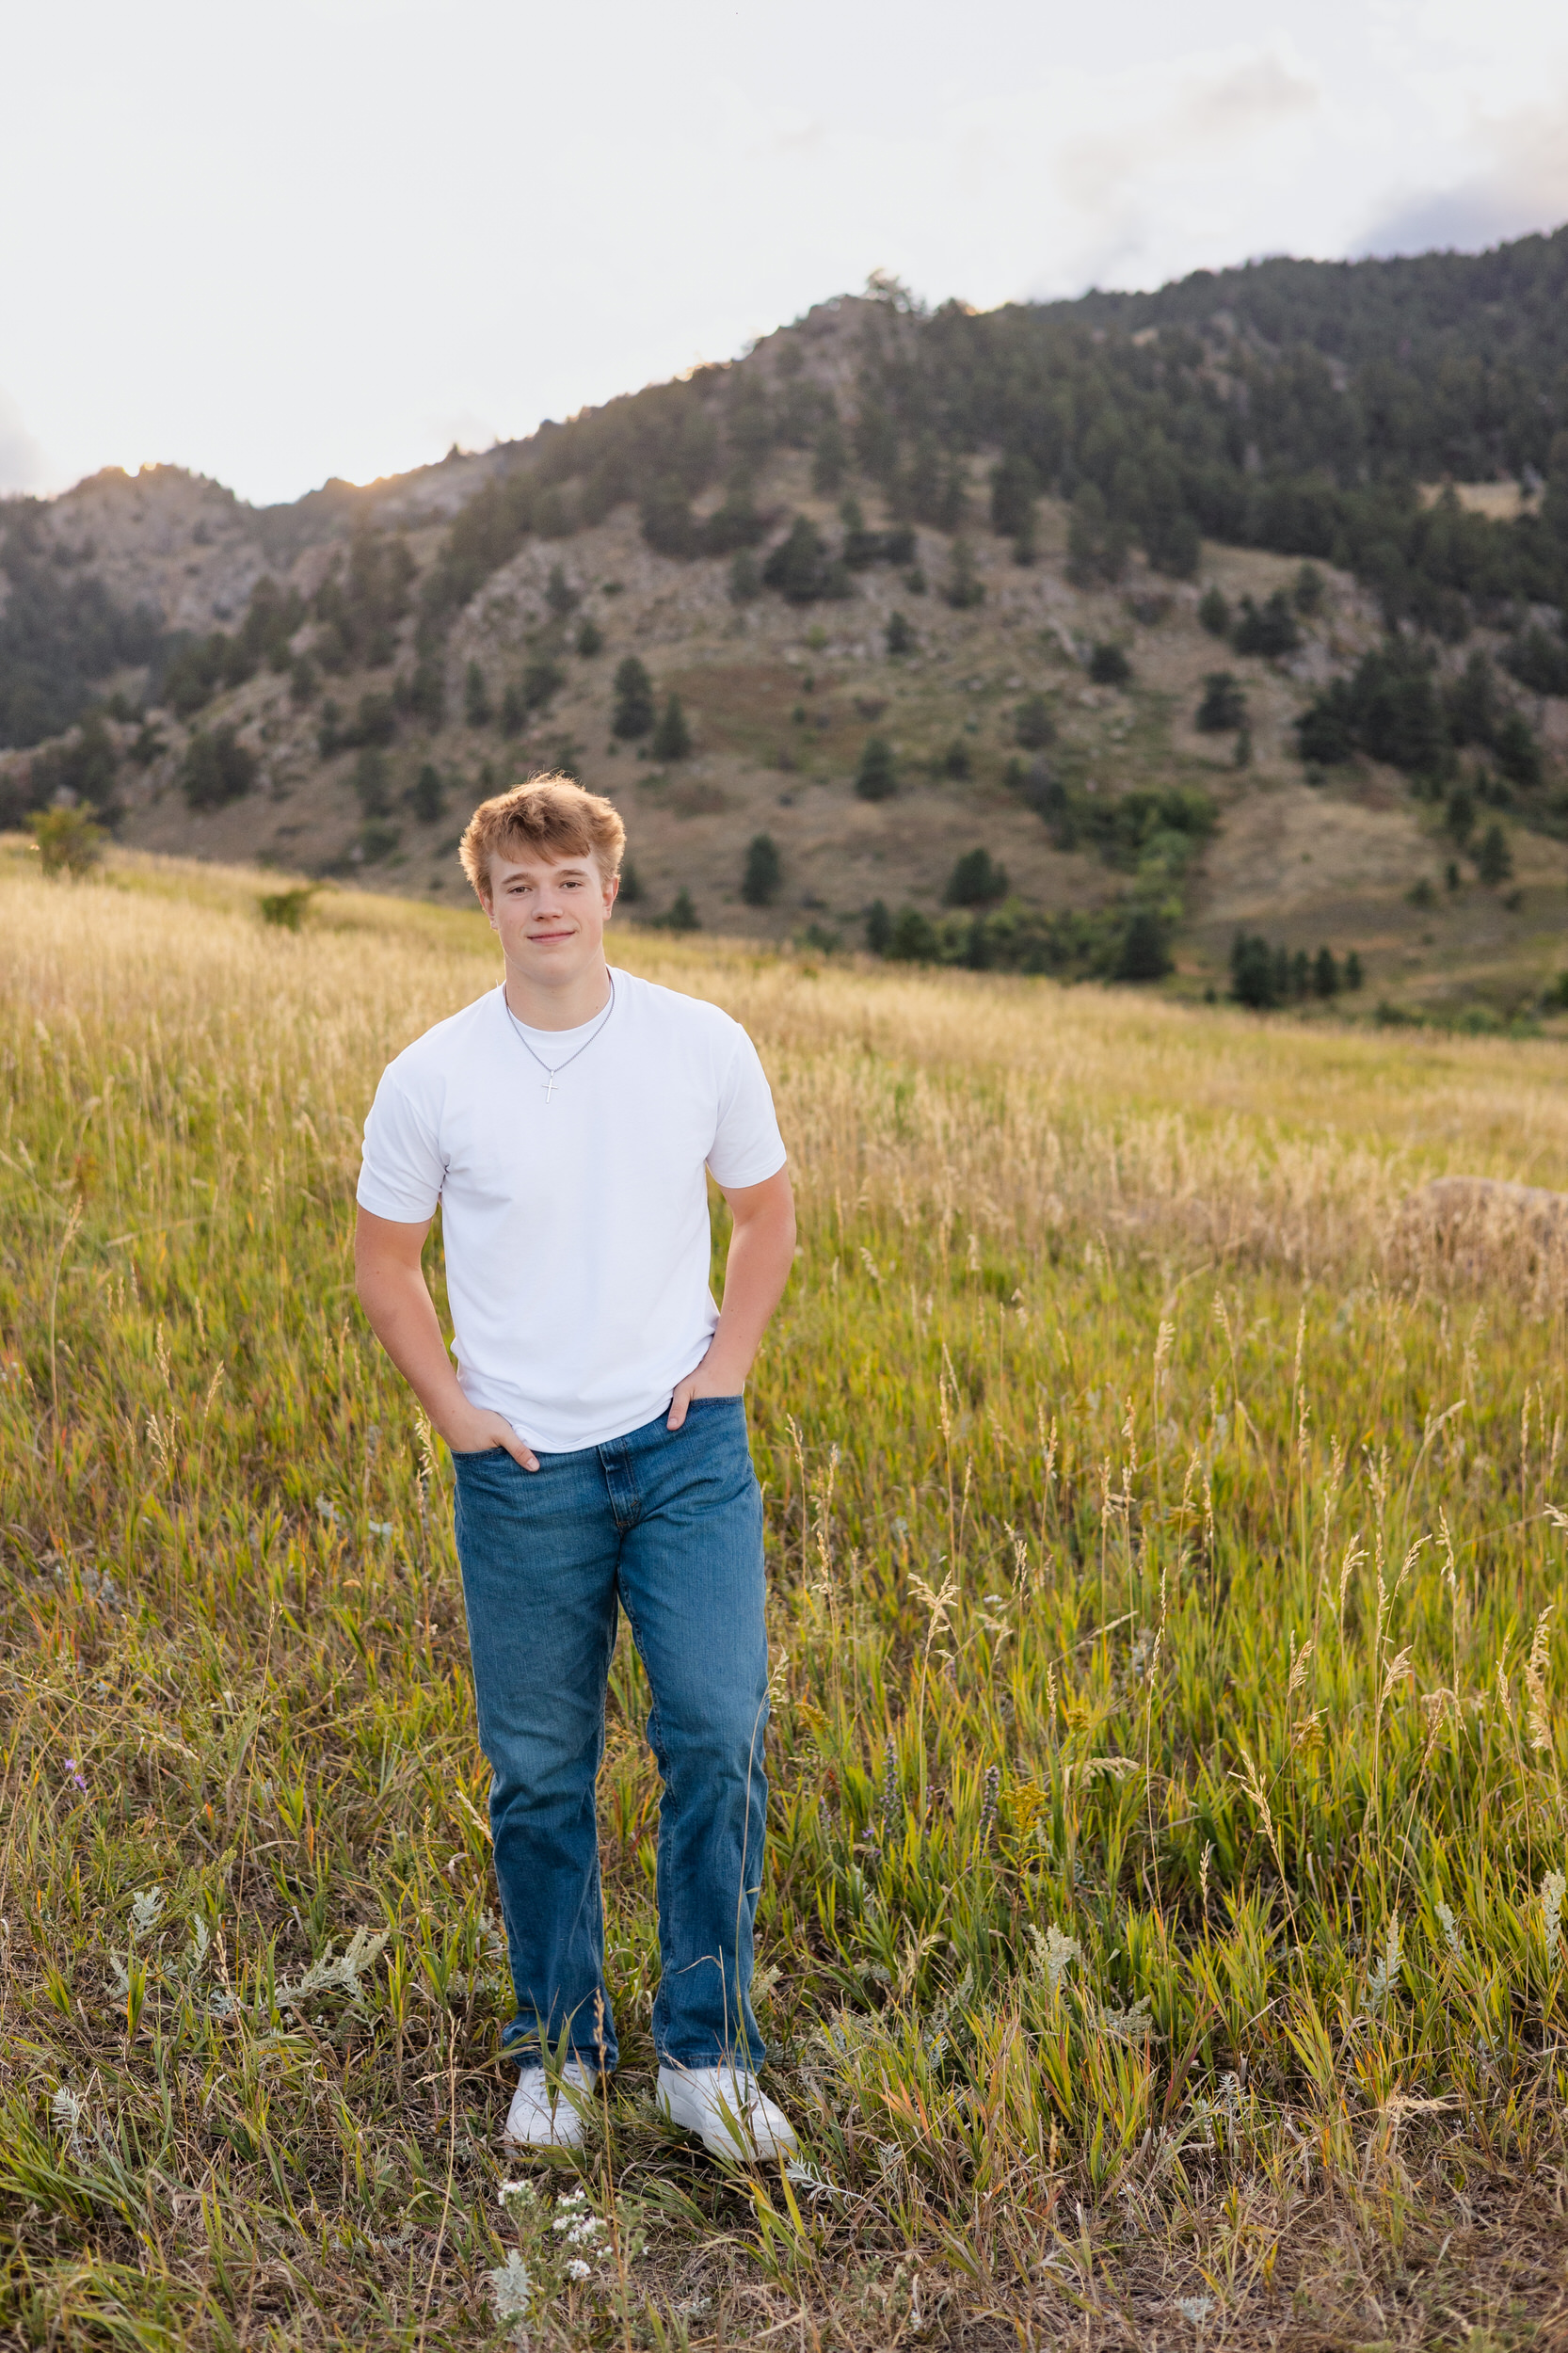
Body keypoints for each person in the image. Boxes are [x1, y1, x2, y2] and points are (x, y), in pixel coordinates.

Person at [353, 774, 798, 2162]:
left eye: (567, 881)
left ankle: (705, 2054)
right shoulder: (432, 1074)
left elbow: (766, 1214)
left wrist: (723, 1366)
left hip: (682, 1455)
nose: (544, 906)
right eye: (516, 886)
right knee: (540, 1772)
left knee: (714, 1735)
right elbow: (384, 1266)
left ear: (610, 890)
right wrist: (457, 1415)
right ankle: (557, 2047)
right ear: (483, 904)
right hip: (522, 1468)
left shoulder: (698, 1042)